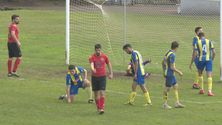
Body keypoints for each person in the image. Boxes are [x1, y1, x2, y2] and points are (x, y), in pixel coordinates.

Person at [89, 44, 113, 114]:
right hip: (94, 77)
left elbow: (108, 64)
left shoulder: (105, 56)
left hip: (102, 77)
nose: (98, 52)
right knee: (96, 93)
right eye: (96, 50)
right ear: (94, 50)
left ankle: (102, 109)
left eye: (99, 50)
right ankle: (98, 108)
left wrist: (111, 73)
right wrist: (93, 69)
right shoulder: (92, 57)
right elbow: (91, 64)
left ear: (101, 50)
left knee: (102, 92)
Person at [162, 41, 185, 109]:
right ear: (176, 47)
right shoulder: (172, 55)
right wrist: (179, 72)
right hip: (170, 74)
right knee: (167, 89)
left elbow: (162, 62)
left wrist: (164, 71)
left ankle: (176, 103)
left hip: (169, 73)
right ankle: (164, 104)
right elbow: (172, 67)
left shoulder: (168, 53)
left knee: (176, 86)